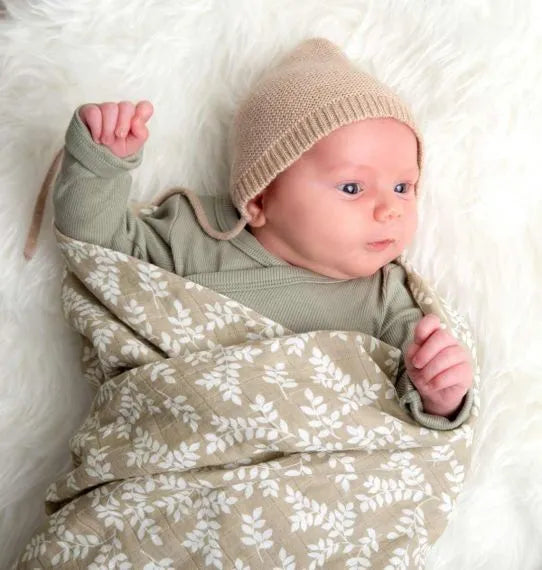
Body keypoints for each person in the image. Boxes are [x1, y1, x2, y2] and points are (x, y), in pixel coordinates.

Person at [48, 37, 474, 429]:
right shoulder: (195, 232)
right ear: (259, 198)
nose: (390, 210)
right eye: (352, 188)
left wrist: (440, 394)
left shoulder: (388, 298)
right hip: (179, 441)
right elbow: (100, 253)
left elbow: (414, 406)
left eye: (403, 187)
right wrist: (99, 166)